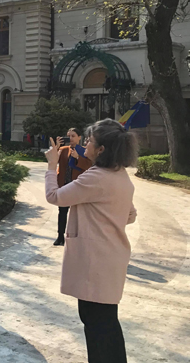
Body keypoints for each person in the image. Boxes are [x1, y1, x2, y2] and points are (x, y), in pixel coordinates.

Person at [44, 118, 138, 363]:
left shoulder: (96, 177)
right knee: (106, 325)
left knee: (97, 326)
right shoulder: (119, 174)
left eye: (90, 140)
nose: (85, 142)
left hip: (95, 262)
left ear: (101, 150)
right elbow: (130, 214)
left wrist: (51, 165)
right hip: (111, 258)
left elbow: (54, 197)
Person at [53, 127, 92, 246]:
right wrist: (56, 148)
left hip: (77, 187)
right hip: (64, 185)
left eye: (73, 136)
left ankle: (77, 238)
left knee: (77, 213)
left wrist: (78, 158)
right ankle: (60, 236)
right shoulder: (64, 150)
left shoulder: (85, 151)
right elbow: (52, 160)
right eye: (69, 136)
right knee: (62, 211)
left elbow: (89, 166)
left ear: (79, 137)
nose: (70, 138)